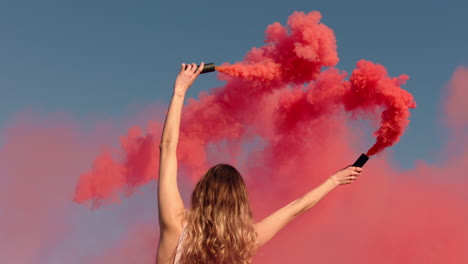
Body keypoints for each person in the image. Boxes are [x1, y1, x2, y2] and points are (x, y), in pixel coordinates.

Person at [156, 62, 363, 264]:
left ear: (201, 192)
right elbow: (296, 208)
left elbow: (167, 148)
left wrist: (180, 91)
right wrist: (334, 180)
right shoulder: (245, 242)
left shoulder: (174, 225)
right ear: (239, 202)